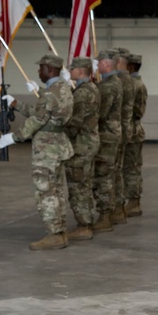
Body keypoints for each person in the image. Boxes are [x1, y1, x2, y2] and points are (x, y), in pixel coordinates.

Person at [0, 54, 74, 250]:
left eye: (41, 68)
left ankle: (54, 235)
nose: (38, 72)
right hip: (59, 146)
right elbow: (44, 112)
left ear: (49, 69)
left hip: (47, 150)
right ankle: (60, 231)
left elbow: (38, 120)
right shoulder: (63, 89)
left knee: (46, 191)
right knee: (56, 190)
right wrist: (17, 105)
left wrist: (13, 138)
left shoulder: (50, 94)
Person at [63, 58, 101, 241]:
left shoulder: (82, 93)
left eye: (72, 68)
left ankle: (83, 226)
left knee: (78, 187)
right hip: (90, 142)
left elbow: (75, 121)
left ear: (80, 71)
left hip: (81, 144)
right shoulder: (92, 88)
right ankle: (87, 221)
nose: (70, 70)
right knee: (85, 183)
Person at [92, 49, 124, 233]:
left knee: (103, 177)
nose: (96, 66)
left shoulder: (108, 86)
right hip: (113, 134)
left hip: (106, 136)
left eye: (98, 63)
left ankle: (104, 217)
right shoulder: (113, 82)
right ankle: (114, 211)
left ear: (106, 64)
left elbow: (100, 113)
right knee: (112, 174)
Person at [111, 48, 136, 225]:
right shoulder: (129, 79)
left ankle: (116, 208)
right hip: (123, 128)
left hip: (115, 129)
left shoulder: (120, 80)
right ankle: (118, 208)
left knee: (114, 171)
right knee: (119, 170)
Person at [124, 54, 147, 217]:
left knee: (131, 168)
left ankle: (133, 202)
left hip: (131, 130)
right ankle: (133, 201)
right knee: (132, 167)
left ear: (131, 67)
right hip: (134, 129)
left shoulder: (132, 85)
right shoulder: (138, 83)